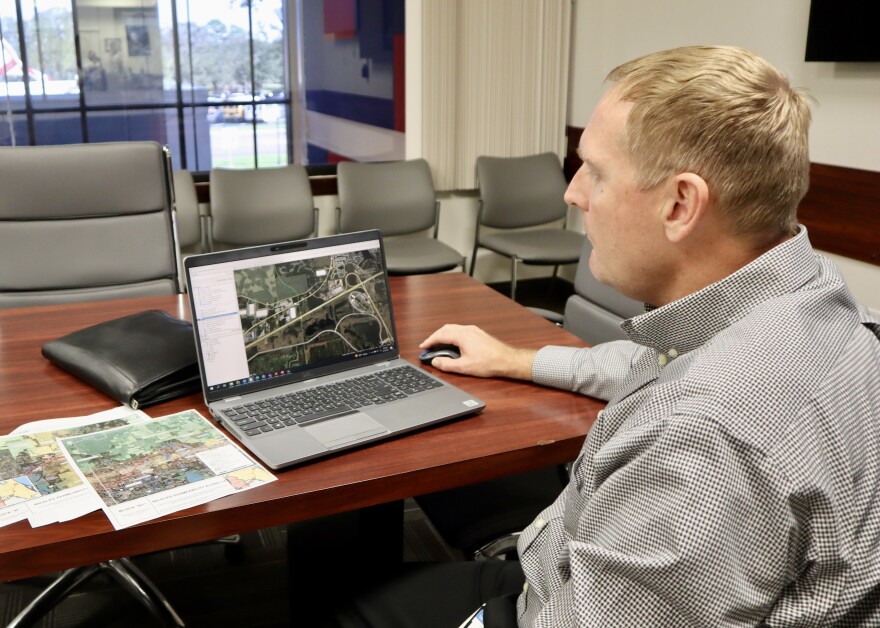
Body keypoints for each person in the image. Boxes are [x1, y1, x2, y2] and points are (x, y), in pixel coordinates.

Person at [322, 45, 880, 627]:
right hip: (561, 564)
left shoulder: (703, 437)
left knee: (344, 608)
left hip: (551, 605)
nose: (573, 192)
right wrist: (516, 359)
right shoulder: (817, 302)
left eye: (596, 171)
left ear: (680, 203)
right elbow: (654, 363)